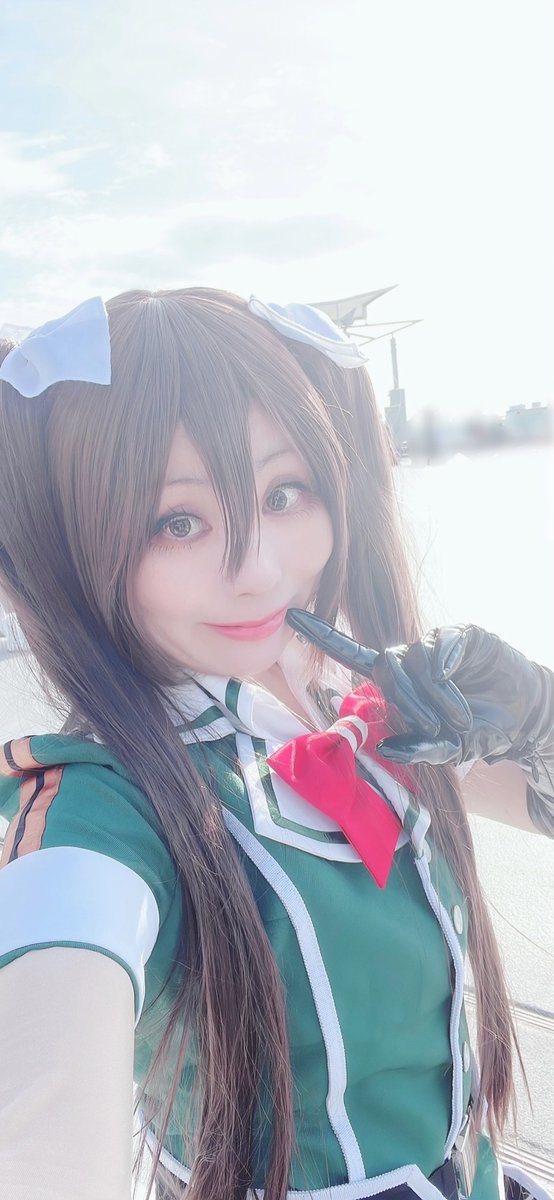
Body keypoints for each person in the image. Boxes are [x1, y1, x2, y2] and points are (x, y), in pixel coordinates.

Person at [0, 289, 552, 1200]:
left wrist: (537, 713)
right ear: (78, 548)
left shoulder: (359, 706)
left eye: (284, 493)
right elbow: (43, 1124)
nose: (258, 570)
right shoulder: (102, 805)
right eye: (177, 522)